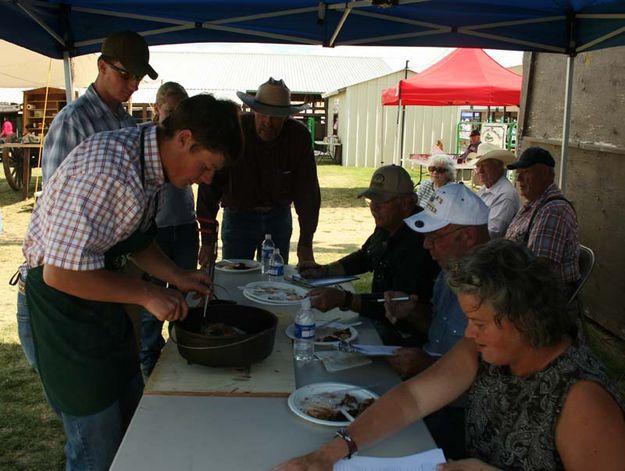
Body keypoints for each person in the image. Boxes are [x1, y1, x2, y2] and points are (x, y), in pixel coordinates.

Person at [22, 94, 243, 471]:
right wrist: (145, 292)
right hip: (63, 312)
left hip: (100, 304)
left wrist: (176, 275)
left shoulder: (148, 161)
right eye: (205, 167)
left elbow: (135, 240)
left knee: (132, 426)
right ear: (184, 138)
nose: (206, 179)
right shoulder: (110, 171)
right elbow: (59, 273)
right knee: (98, 443)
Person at [273, 239, 625, 471]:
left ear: (525, 319)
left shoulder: (583, 399)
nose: (469, 334)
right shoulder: (488, 351)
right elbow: (412, 397)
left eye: (478, 322)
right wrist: (327, 455)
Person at [15, 30, 154, 371]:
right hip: (72, 275)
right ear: (101, 66)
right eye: (126, 75)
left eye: (138, 77)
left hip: (112, 269)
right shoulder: (73, 121)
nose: (133, 85)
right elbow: (58, 211)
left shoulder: (123, 119)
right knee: (84, 389)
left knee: (118, 373)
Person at [298, 165, 439, 346]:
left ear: (406, 203)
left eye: (382, 201)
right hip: (382, 322)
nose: (374, 207)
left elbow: (396, 303)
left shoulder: (421, 240)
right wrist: (324, 271)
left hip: (407, 336)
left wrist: (345, 299)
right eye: (372, 200)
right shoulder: (389, 225)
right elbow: (366, 256)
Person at [196, 77, 321, 265]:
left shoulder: (298, 136)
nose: (268, 123)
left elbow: (308, 192)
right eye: (263, 114)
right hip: (238, 216)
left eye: (276, 117)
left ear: (287, 116)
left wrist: (305, 245)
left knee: (274, 282)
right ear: (254, 110)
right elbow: (210, 185)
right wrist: (207, 241)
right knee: (235, 279)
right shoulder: (236, 131)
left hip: (278, 217)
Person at [138, 82, 199, 376]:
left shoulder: (187, 142)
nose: (175, 118)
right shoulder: (146, 145)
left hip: (185, 226)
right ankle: (149, 361)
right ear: (156, 109)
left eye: (181, 112)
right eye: (170, 111)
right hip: (155, 234)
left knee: (183, 294)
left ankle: (182, 350)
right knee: (153, 301)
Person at [505, 147, 580, 289]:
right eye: (518, 173)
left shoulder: (552, 210)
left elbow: (539, 272)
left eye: (525, 172)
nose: (519, 178)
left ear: (544, 173)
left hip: (542, 300)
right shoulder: (534, 204)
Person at [474, 145, 521, 238]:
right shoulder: (484, 189)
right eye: (478, 166)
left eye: (485, 165)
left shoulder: (506, 194)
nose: (480, 171)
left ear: (498, 167)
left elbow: (493, 233)